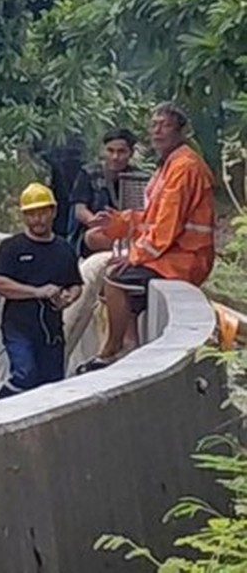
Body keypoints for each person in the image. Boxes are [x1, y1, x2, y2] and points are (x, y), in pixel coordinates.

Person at [77, 102, 216, 372]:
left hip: (184, 257)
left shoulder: (184, 167)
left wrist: (136, 255)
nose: (157, 131)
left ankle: (112, 350)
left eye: (164, 125)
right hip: (172, 253)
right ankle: (130, 345)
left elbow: (166, 226)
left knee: (115, 278)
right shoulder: (168, 166)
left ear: (180, 132)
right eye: (154, 124)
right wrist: (116, 223)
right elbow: (150, 218)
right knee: (117, 268)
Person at [0, 183, 84, 398]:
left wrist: (68, 298)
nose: (38, 219)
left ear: (53, 212)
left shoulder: (64, 249)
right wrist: (36, 292)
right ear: (23, 216)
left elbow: (76, 284)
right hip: (19, 328)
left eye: (42, 213)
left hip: (51, 332)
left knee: (51, 384)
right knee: (25, 375)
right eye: (31, 214)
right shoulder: (12, 247)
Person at [68, 128, 141, 258]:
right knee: (93, 236)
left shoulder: (138, 177)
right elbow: (79, 209)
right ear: (103, 151)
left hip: (129, 231)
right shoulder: (88, 173)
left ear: (131, 153)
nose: (115, 157)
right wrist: (92, 220)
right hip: (99, 230)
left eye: (121, 152)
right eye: (110, 150)